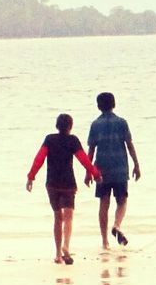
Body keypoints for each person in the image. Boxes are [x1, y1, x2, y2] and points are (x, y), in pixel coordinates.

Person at [26, 113, 102, 265]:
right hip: (68, 183)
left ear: (56, 126)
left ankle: (57, 255)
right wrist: (95, 174)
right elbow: (84, 159)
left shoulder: (49, 139)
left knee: (57, 217)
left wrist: (31, 176)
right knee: (68, 217)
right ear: (70, 126)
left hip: (52, 184)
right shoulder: (72, 140)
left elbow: (39, 158)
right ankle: (66, 246)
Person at [85, 92, 141, 249]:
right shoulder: (122, 122)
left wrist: (88, 171)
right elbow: (129, 145)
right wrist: (136, 164)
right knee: (122, 200)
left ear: (98, 106)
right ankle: (116, 225)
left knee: (104, 202)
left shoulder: (95, 124)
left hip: (101, 169)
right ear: (114, 104)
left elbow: (91, 150)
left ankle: (104, 242)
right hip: (120, 167)